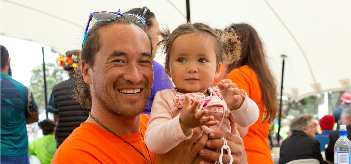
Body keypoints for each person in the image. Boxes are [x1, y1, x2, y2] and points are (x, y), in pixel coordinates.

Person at [52, 14, 247, 164]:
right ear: (86, 71)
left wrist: (239, 158)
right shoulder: (76, 154)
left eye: (144, 61)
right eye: (118, 61)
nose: (135, 76)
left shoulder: (160, 123)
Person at [144, 22, 259, 157]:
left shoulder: (221, 95)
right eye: (181, 60)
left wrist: (238, 103)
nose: (192, 68)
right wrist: (182, 124)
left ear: (217, 69)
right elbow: (153, 142)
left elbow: (250, 119)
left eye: (202, 60)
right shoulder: (166, 98)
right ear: (168, 69)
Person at [224, 23, 278, 164]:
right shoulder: (263, 79)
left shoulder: (238, 75)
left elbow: (240, 127)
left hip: (244, 155)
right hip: (263, 155)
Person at [127, 7, 173, 114]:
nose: (158, 40)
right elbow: (172, 111)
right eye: (156, 34)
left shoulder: (112, 67)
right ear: (143, 35)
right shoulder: (156, 71)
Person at [1, 45, 39, 164]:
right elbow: (35, 116)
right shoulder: (23, 90)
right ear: (8, 61)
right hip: (17, 154)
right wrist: (16, 120)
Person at [47, 50, 90, 148]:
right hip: (87, 138)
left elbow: (55, 118)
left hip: (64, 140)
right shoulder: (90, 86)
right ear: (82, 64)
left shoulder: (57, 89)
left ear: (65, 67)